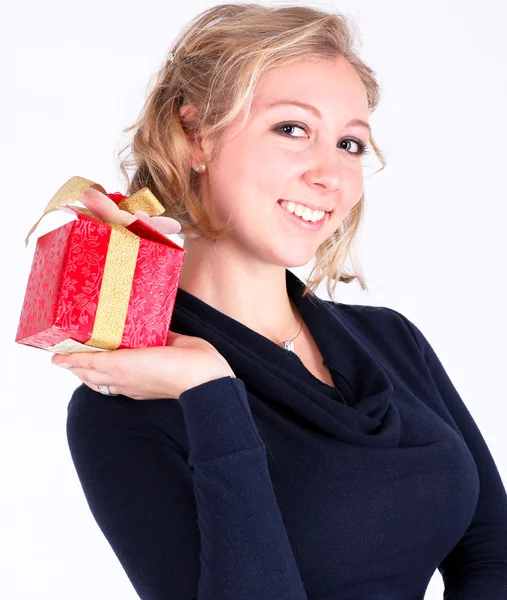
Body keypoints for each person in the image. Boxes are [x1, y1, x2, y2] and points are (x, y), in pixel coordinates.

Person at [51, 3, 507, 599]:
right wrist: (213, 397)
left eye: (349, 143)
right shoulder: (127, 408)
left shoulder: (392, 343)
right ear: (195, 136)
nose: (331, 175)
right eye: (292, 129)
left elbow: (492, 555)